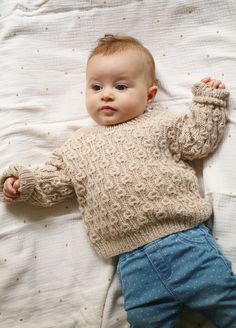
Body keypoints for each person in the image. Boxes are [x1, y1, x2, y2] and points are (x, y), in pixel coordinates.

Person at [1, 35, 236, 327]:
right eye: (96, 87)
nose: (106, 95)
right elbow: (55, 182)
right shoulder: (77, 146)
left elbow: (198, 142)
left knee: (225, 301)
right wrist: (24, 183)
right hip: (132, 263)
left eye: (121, 87)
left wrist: (208, 102)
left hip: (185, 241)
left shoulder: (161, 123)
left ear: (149, 96)